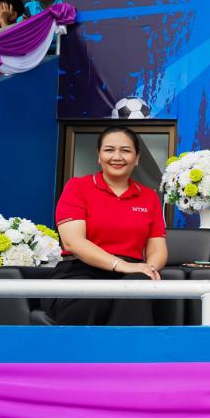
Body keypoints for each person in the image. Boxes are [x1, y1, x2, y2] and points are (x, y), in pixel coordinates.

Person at [48, 125, 167, 325]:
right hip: (81, 270)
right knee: (92, 295)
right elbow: (72, 242)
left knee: (138, 286)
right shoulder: (77, 187)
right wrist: (121, 265)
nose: (117, 157)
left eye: (125, 151)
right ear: (99, 155)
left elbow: (157, 248)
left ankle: (126, 346)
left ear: (137, 158)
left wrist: (149, 269)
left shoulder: (149, 197)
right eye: (109, 150)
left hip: (132, 273)